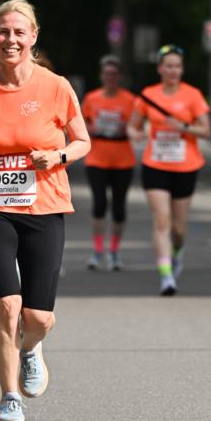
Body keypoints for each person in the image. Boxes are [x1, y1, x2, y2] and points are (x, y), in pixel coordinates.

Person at [0, 0, 91, 421]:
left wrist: (60, 155)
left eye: (18, 32)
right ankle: (9, 398)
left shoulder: (56, 86)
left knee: (37, 318)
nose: (9, 39)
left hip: (44, 207)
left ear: (33, 37)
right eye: (2, 32)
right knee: (7, 306)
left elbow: (83, 141)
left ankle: (31, 348)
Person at [127, 44, 210, 296]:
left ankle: (177, 254)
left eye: (177, 66)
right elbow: (131, 126)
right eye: (169, 66)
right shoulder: (148, 95)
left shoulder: (193, 95)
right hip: (156, 164)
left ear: (182, 70)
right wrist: (137, 134)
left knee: (178, 228)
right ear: (160, 68)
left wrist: (183, 126)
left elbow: (206, 131)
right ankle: (166, 277)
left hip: (186, 165)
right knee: (161, 220)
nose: (173, 70)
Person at [81, 55, 135, 270]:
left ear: (119, 77)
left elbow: (135, 125)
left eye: (114, 74)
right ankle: (97, 251)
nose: (110, 78)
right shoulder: (92, 98)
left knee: (119, 207)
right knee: (100, 204)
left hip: (123, 159)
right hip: (96, 158)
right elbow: (80, 123)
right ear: (101, 76)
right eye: (107, 74)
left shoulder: (129, 100)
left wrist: (126, 129)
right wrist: (90, 130)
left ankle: (114, 251)